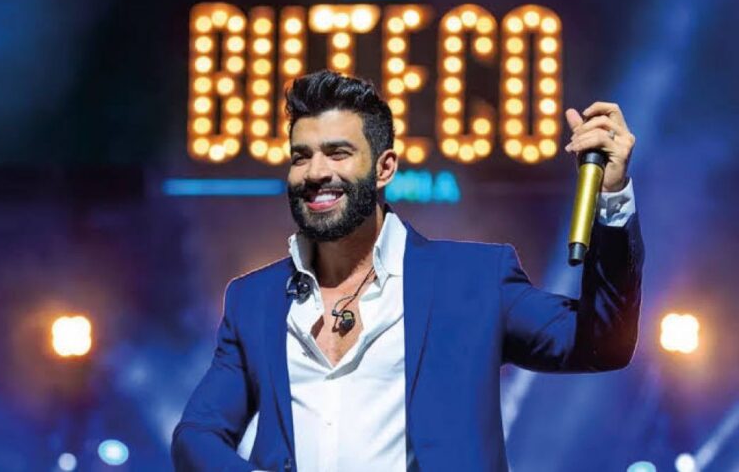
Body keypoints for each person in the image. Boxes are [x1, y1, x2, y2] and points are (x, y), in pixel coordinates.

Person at [171, 69, 644, 472]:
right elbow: (197, 434)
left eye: (337, 153)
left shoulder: (475, 281)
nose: (315, 172)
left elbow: (604, 343)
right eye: (301, 156)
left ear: (384, 168)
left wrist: (612, 194)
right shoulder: (254, 300)